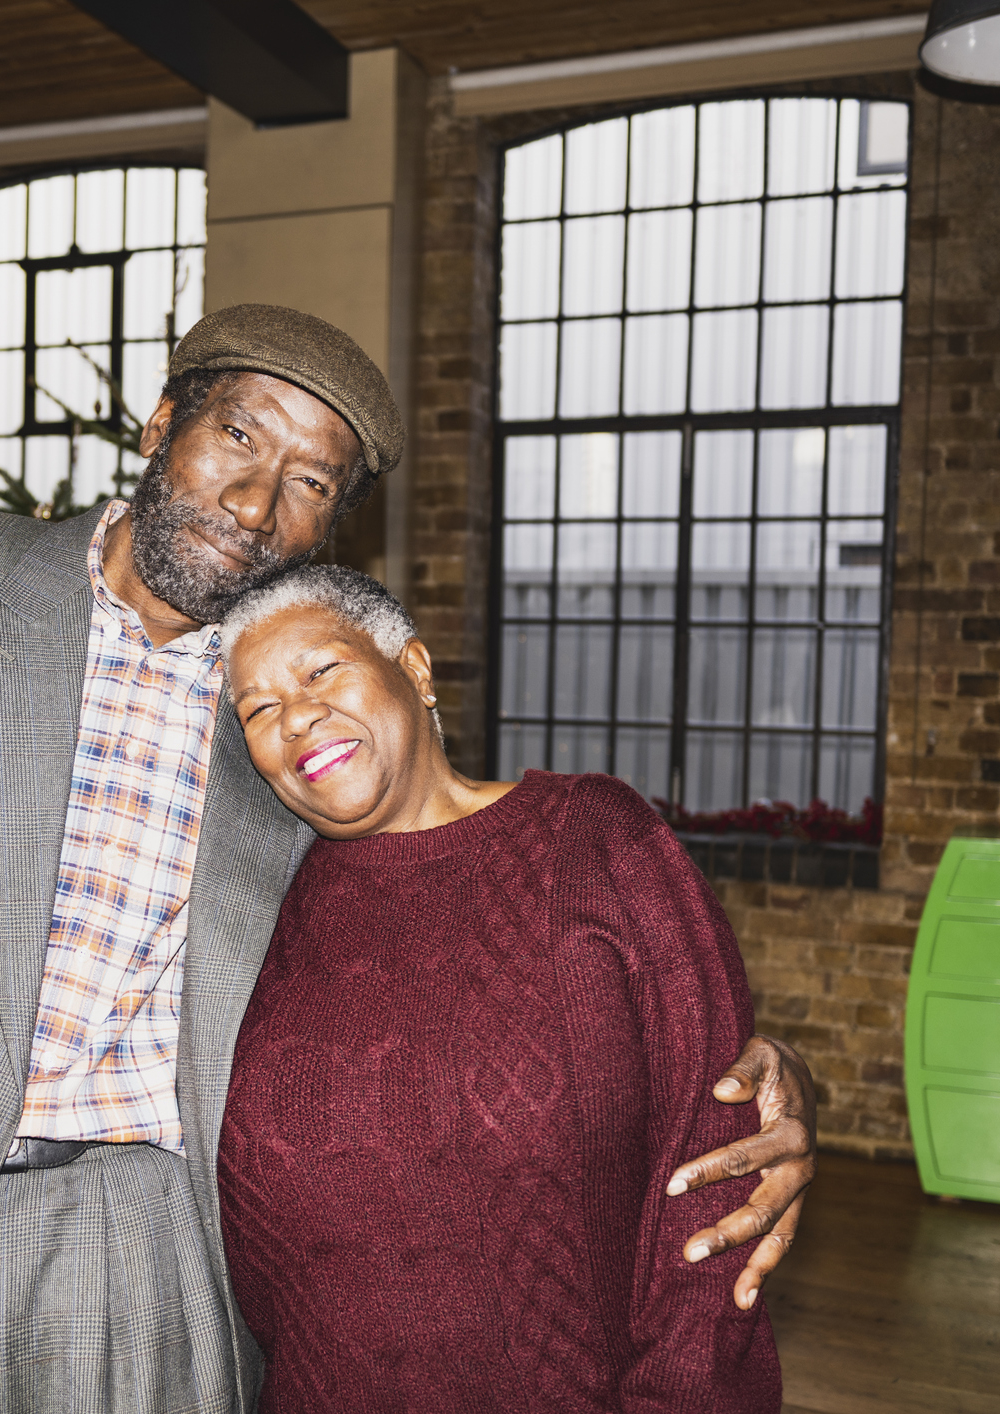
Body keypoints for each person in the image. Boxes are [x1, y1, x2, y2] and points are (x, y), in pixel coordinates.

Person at [0, 305, 814, 1414]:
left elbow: (457, 894)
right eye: (241, 436)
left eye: (311, 483)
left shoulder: (281, 719)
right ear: (163, 425)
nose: (260, 501)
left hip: (131, 1232)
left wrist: (750, 1064)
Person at [214, 563, 780, 1411]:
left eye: (321, 669)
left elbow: (717, 1162)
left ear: (413, 669)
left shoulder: (591, 843)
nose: (296, 715)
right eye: (257, 709)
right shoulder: (251, 913)